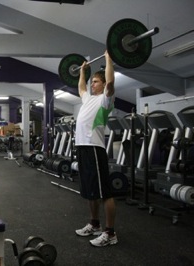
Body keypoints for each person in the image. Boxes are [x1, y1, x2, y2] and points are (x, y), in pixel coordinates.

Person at [74, 51, 117, 247]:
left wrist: (109, 60)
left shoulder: (105, 100)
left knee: (105, 192)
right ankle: (94, 224)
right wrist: (83, 72)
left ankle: (110, 233)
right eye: (93, 82)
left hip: (94, 148)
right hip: (82, 148)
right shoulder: (88, 99)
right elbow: (81, 87)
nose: (93, 85)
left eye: (96, 82)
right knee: (90, 190)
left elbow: (110, 82)